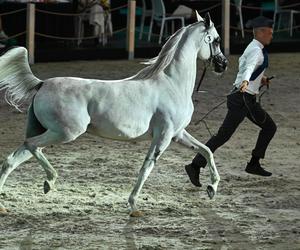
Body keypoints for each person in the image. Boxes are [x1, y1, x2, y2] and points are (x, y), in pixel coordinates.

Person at [185, 16, 277, 187]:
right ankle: (195, 165)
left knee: (267, 127)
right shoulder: (257, 51)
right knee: (224, 136)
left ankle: (253, 163)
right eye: (269, 33)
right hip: (242, 99)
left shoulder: (253, 47)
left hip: (245, 98)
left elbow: (245, 66)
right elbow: (248, 68)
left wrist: (260, 78)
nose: (272, 36)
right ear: (261, 32)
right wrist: (246, 81)